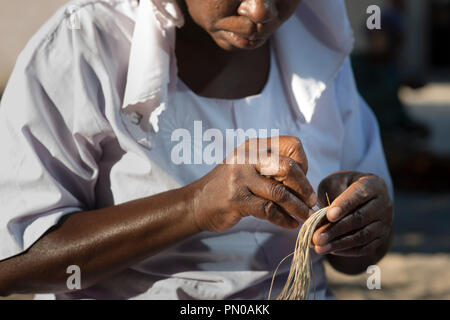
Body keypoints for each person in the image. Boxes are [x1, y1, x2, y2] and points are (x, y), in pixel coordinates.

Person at [0, 0, 394, 300]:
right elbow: (13, 261)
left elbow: (357, 260)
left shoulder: (318, 47)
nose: (259, 10)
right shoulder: (83, 43)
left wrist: (355, 227)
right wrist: (195, 207)